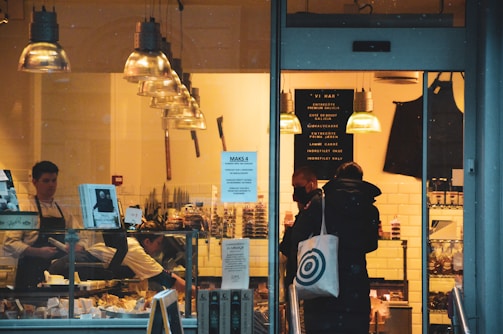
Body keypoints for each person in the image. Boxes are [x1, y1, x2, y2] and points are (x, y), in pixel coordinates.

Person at [298, 161, 380, 334]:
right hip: (355, 292)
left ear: (336, 178)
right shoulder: (371, 210)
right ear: (361, 180)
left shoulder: (320, 205)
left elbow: (298, 239)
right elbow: (371, 245)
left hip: (321, 288)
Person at [3, 160, 87, 289]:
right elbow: (9, 242)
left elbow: (82, 236)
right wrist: (36, 252)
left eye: (54, 180)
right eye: (46, 181)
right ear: (35, 182)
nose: (51, 185)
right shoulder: (26, 208)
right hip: (30, 275)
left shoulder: (64, 211)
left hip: (58, 276)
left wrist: (77, 246)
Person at [49, 220, 191, 294]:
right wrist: (195, 292)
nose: (160, 249)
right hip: (71, 266)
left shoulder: (131, 243)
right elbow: (165, 277)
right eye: (159, 243)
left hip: (76, 265)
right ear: (147, 241)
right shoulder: (135, 250)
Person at [279, 166, 323, 333]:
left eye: (298, 185)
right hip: (303, 280)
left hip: (305, 281)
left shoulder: (315, 207)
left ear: (311, 184)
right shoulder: (307, 208)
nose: (295, 191)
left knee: (301, 326)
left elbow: (296, 242)